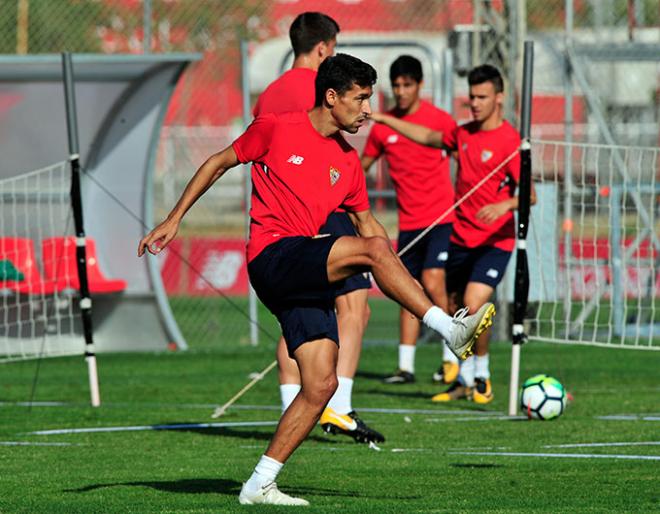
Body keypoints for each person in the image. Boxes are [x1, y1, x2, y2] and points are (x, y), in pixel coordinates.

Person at [138, 54, 495, 506]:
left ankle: (259, 483)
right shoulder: (276, 127)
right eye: (361, 99)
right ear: (332, 97)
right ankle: (448, 329)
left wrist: (391, 264)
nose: (368, 110)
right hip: (271, 256)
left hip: (301, 272)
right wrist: (173, 220)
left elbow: (370, 229)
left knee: (321, 385)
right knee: (371, 252)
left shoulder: (347, 162)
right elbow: (217, 162)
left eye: (370, 100)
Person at [370, 64, 535, 404]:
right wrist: (387, 121)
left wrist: (504, 206)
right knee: (458, 309)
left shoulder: (510, 141)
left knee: (475, 305)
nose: (475, 103)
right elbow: (427, 137)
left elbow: (529, 195)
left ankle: (482, 377)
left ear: (499, 98)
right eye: (471, 97)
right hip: (460, 236)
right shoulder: (463, 133)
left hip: (495, 240)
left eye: (482, 97)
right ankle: (463, 379)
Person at [253, 12, 381, 443]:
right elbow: (312, 143)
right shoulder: (313, 92)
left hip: (273, 223)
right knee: (356, 305)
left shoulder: (268, 92)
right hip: (321, 205)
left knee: (297, 319)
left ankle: (297, 407)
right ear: (325, 48)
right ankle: (337, 407)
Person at [361, 55, 460, 386]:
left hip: (441, 218)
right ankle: (405, 366)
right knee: (406, 288)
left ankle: (451, 359)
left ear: (420, 85)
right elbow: (361, 167)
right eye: (397, 86)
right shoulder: (381, 129)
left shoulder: (439, 121)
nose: (401, 92)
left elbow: (466, 156)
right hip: (409, 222)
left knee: (433, 281)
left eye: (407, 85)